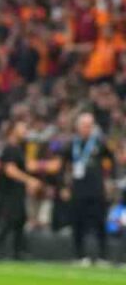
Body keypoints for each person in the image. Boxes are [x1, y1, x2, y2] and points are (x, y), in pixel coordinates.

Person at [59, 111, 114, 266]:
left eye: (89, 126)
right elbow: (62, 167)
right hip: (78, 190)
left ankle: (103, 257)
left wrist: (110, 180)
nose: (87, 128)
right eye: (84, 125)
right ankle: (80, 256)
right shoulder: (72, 144)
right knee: (78, 223)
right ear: (78, 127)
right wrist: (63, 186)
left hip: (97, 190)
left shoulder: (99, 143)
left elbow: (112, 160)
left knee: (99, 223)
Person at [0, 120, 43, 261]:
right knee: (7, 221)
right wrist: (29, 180)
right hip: (8, 192)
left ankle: (18, 252)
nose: (25, 130)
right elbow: (10, 170)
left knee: (20, 220)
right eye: (22, 128)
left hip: (17, 191)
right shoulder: (10, 148)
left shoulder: (19, 148)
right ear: (13, 130)